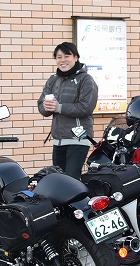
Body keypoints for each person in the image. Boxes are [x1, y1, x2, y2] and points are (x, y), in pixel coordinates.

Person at [37, 42, 98, 180]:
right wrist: (46, 107)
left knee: (71, 179)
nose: (62, 60)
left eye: (67, 56)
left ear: (75, 57)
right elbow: (42, 106)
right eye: (59, 57)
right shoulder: (53, 80)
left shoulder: (86, 79)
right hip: (58, 140)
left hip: (78, 139)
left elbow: (86, 107)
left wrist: (59, 107)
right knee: (59, 180)